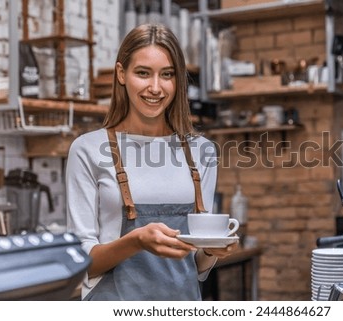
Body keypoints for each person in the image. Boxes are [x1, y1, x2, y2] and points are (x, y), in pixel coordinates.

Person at [66, 23, 237, 300]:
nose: (155, 88)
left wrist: (211, 251)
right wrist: (135, 241)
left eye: (167, 75)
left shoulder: (201, 151)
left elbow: (197, 267)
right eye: (143, 73)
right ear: (122, 74)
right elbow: (81, 263)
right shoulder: (87, 149)